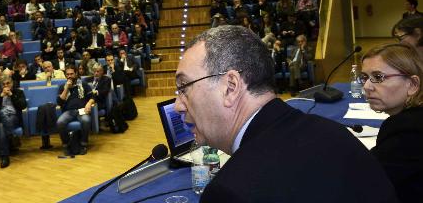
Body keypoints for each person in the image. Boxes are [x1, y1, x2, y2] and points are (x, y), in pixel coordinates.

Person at [174, 25, 398, 203]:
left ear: (231, 87)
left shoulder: (230, 191)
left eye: (184, 87)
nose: (178, 106)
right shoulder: (333, 132)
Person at [360, 43, 423, 202]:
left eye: (378, 77)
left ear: (413, 85)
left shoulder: (407, 130)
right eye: (365, 78)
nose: (367, 87)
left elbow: (368, 180)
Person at [0, 75, 27, 168]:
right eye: (3, 84)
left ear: (12, 84)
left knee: (2, 126)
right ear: (1, 85)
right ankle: (12, 137)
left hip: (14, 117)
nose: (6, 86)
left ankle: (4, 157)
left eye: (8, 83)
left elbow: (23, 106)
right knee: (3, 113)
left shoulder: (19, 92)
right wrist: (1, 97)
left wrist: (11, 95)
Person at [56, 65, 94, 155]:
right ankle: (66, 145)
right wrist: (66, 89)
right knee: (60, 122)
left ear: (76, 74)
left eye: (71, 74)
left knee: (86, 120)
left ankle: (83, 144)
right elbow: (59, 102)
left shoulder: (83, 84)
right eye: (67, 74)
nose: (69, 76)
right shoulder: (62, 87)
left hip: (82, 110)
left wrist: (89, 103)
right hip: (68, 112)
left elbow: (93, 96)